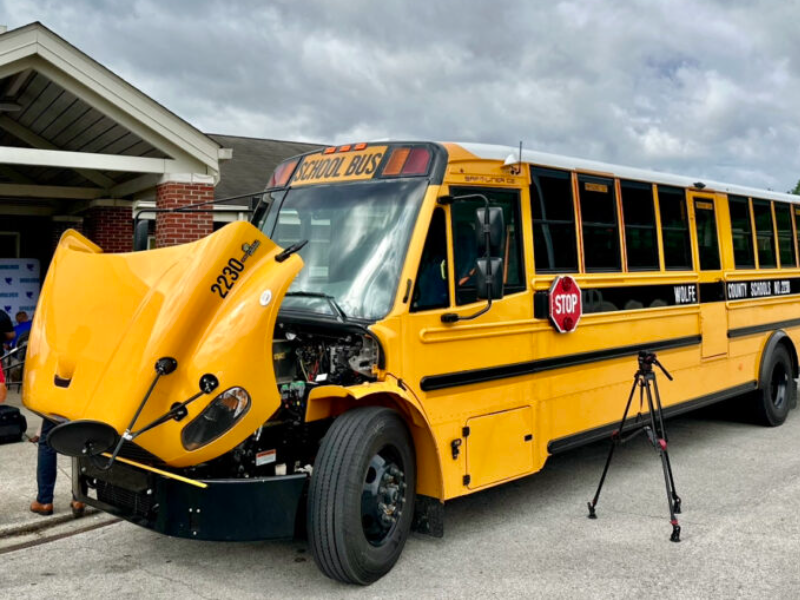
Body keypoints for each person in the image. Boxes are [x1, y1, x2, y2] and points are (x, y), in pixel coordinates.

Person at [29, 418, 86, 517]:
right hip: (83, 407)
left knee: (47, 444)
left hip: (58, 409)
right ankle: (79, 499)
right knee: (82, 442)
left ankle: (44, 501)